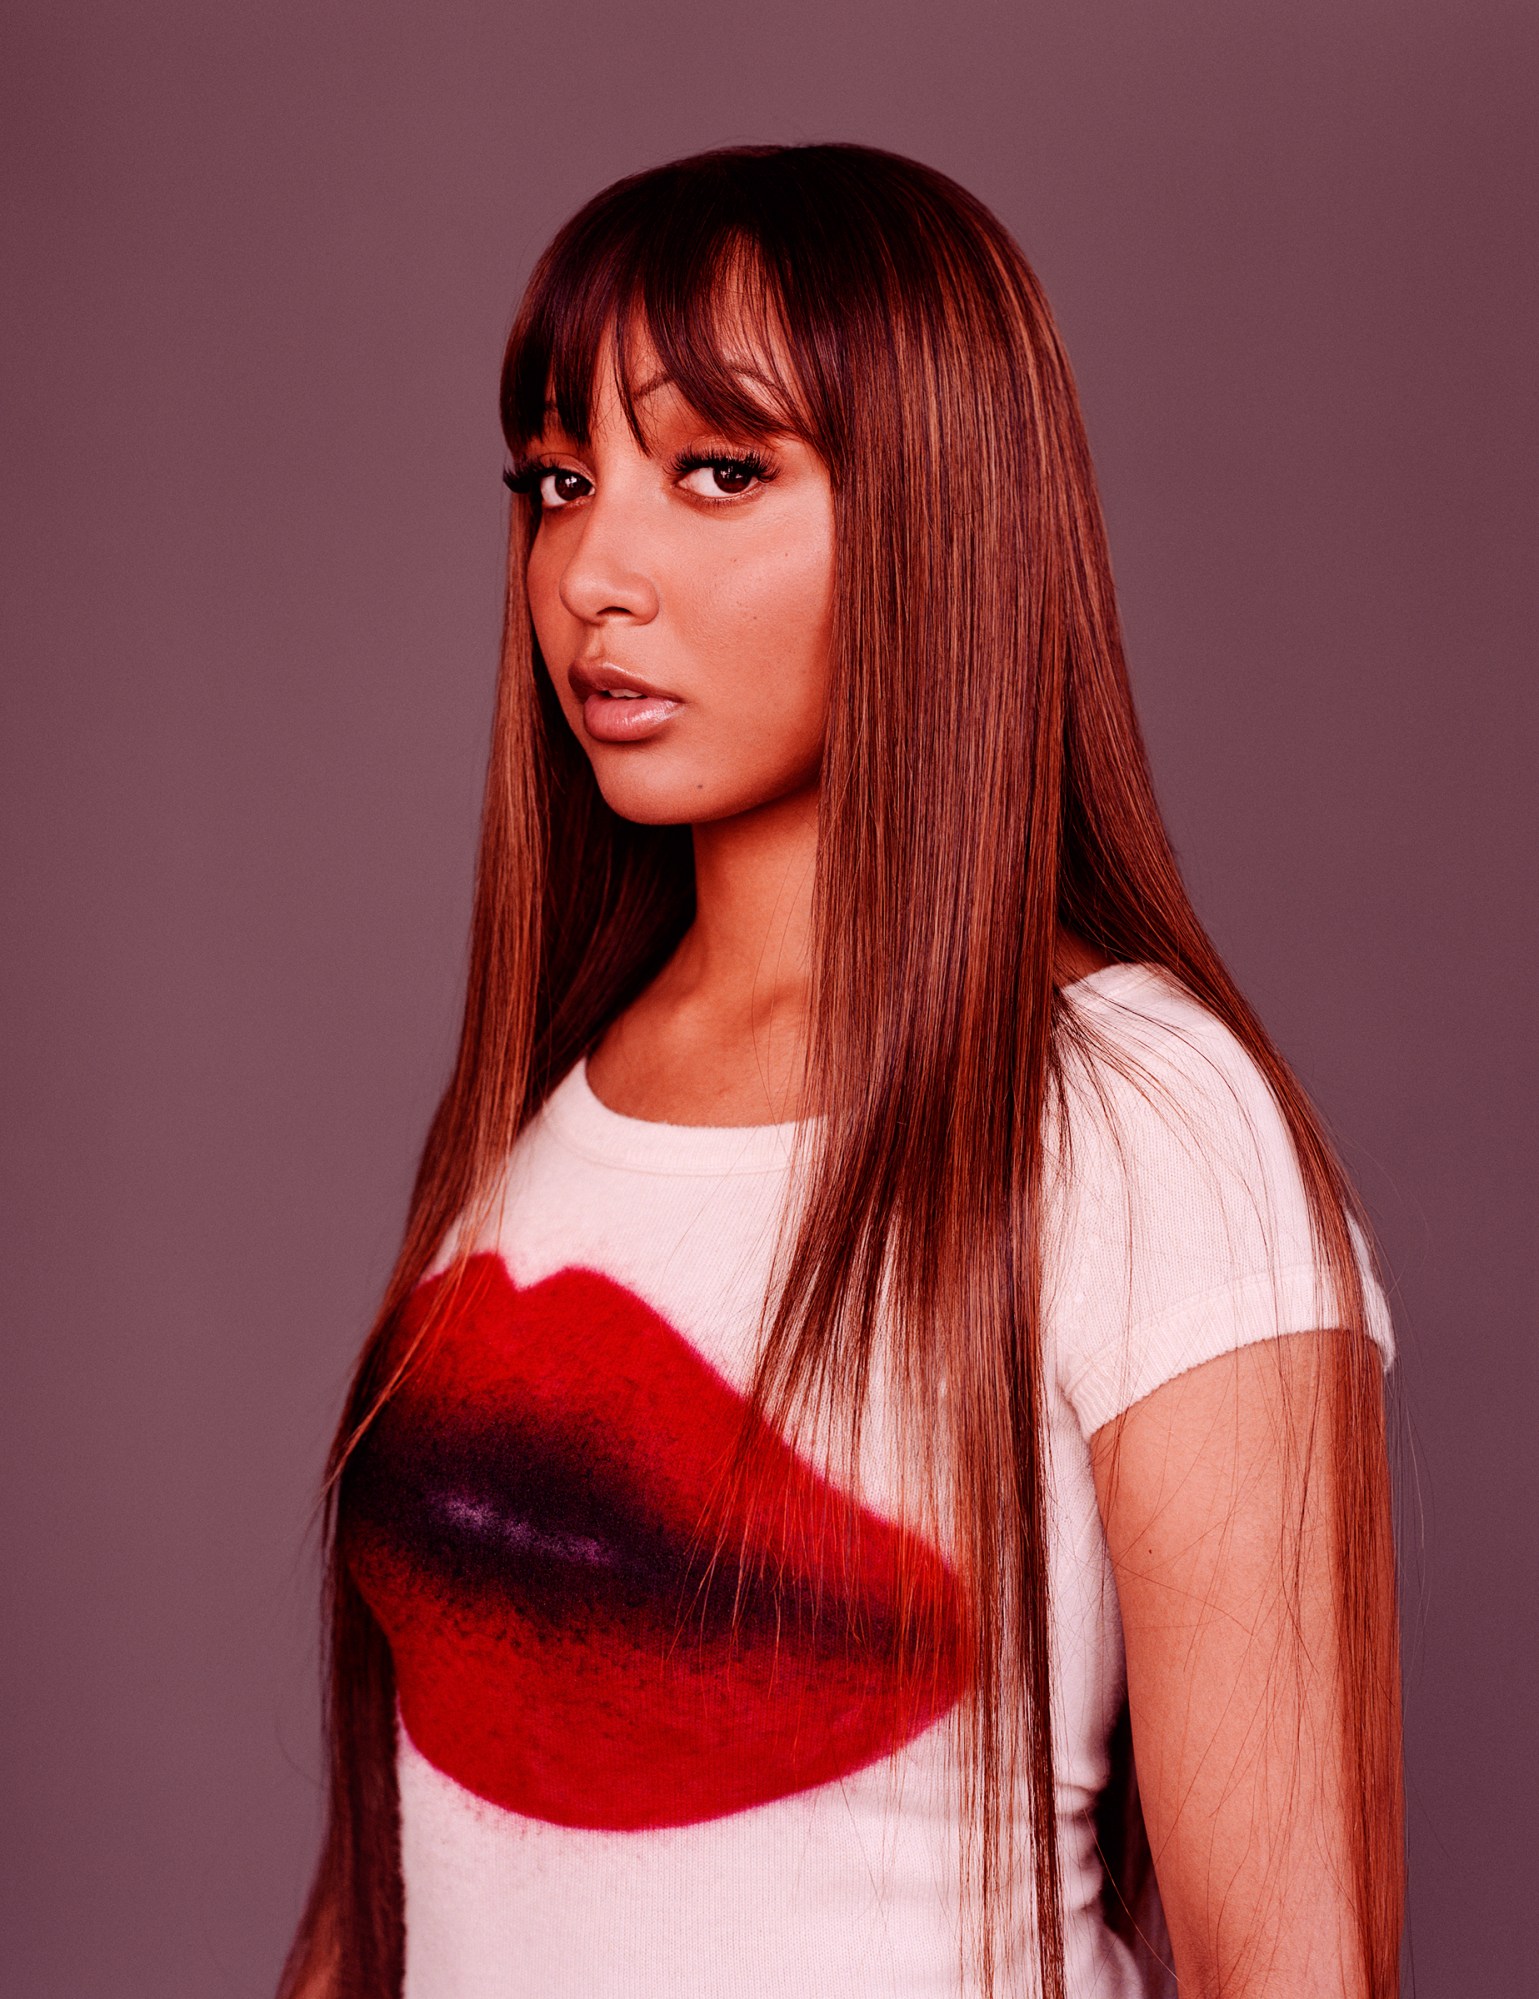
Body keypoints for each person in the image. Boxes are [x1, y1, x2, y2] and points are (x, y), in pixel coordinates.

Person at [278, 143, 1403, 1999]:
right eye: (560, 479)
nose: (592, 573)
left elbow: (1290, 1969)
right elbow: (389, 1902)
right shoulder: (548, 1106)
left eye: (720, 471)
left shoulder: (1138, 1122)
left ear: (944, 517)